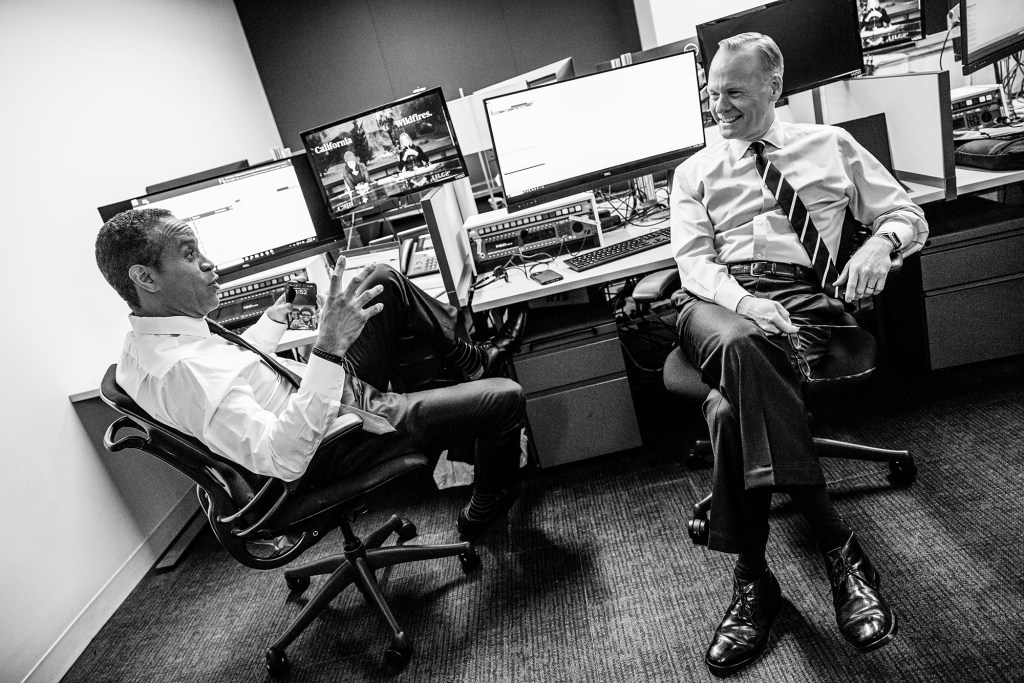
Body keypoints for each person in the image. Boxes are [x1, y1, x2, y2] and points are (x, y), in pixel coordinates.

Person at [670, 33, 927, 676]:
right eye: (712, 91)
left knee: (729, 415)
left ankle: (754, 581)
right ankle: (839, 547)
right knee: (737, 341)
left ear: (772, 89)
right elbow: (693, 263)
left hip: (805, 301)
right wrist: (746, 305)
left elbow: (906, 214)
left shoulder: (831, 146)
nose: (718, 103)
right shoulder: (694, 171)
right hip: (718, 305)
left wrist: (878, 245)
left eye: (733, 91)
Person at [95, 208, 528, 539]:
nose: (210, 264)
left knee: (382, 280)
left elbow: (232, 371)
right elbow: (283, 457)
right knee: (505, 397)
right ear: (144, 277)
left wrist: (275, 318)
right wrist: (330, 346)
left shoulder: (150, 339)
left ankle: (470, 361)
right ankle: (484, 507)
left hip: (315, 394)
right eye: (190, 255)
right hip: (333, 437)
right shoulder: (182, 371)